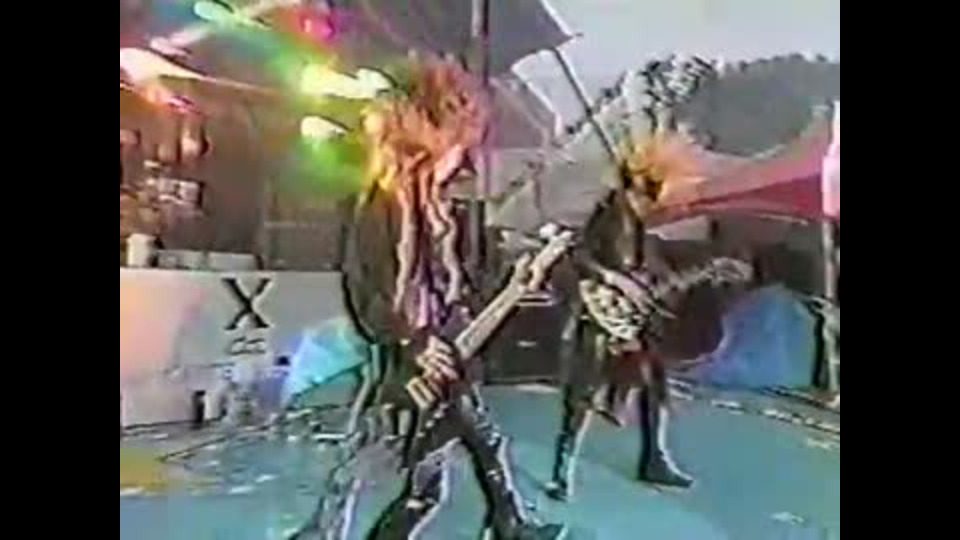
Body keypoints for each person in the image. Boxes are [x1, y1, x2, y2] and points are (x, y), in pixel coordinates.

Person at [340, 57, 565, 540]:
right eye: (458, 149)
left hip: (444, 353)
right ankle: (508, 525)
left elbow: (447, 289)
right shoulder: (387, 205)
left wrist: (509, 287)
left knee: (455, 462)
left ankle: (508, 523)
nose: (461, 163)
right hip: (422, 363)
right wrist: (414, 340)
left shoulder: (431, 210)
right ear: (427, 146)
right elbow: (369, 290)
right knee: (432, 478)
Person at [545, 131, 701, 501]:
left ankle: (654, 457)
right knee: (583, 394)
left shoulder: (634, 222)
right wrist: (614, 279)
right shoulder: (610, 214)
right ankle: (562, 471)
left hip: (627, 318)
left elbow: (640, 270)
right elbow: (580, 255)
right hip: (601, 317)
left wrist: (651, 282)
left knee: (654, 383)